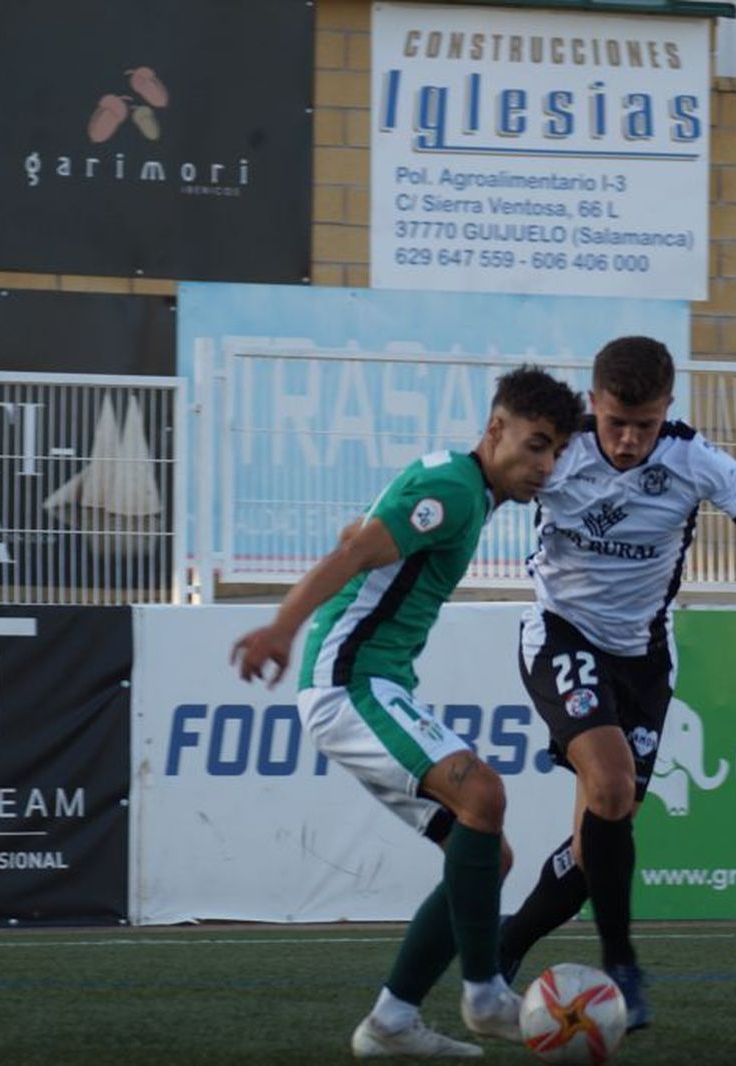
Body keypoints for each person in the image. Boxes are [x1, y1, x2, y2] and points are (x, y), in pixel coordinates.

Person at [499, 336, 736, 1029]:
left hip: (643, 658)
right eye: (616, 422)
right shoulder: (558, 453)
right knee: (609, 784)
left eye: (645, 423)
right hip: (561, 634)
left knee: (597, 842)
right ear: (594, 405)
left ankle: (504, 946)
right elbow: (480, 494)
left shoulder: (694, 459)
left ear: (668, 407)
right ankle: (621, 965)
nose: (630, 439)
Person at [232, 365, 585, 1059]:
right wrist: (281, 627)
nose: (544, 466)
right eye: (535, 445)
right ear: (496, 429)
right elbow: (356, 547)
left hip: (373, 679)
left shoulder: (457, 483)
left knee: (485, 851)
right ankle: (485, 994)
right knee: (483, 792)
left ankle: (391, 1021)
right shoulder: (456, 491)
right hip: (350, 680)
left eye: (555, 452)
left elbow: (363, 531)